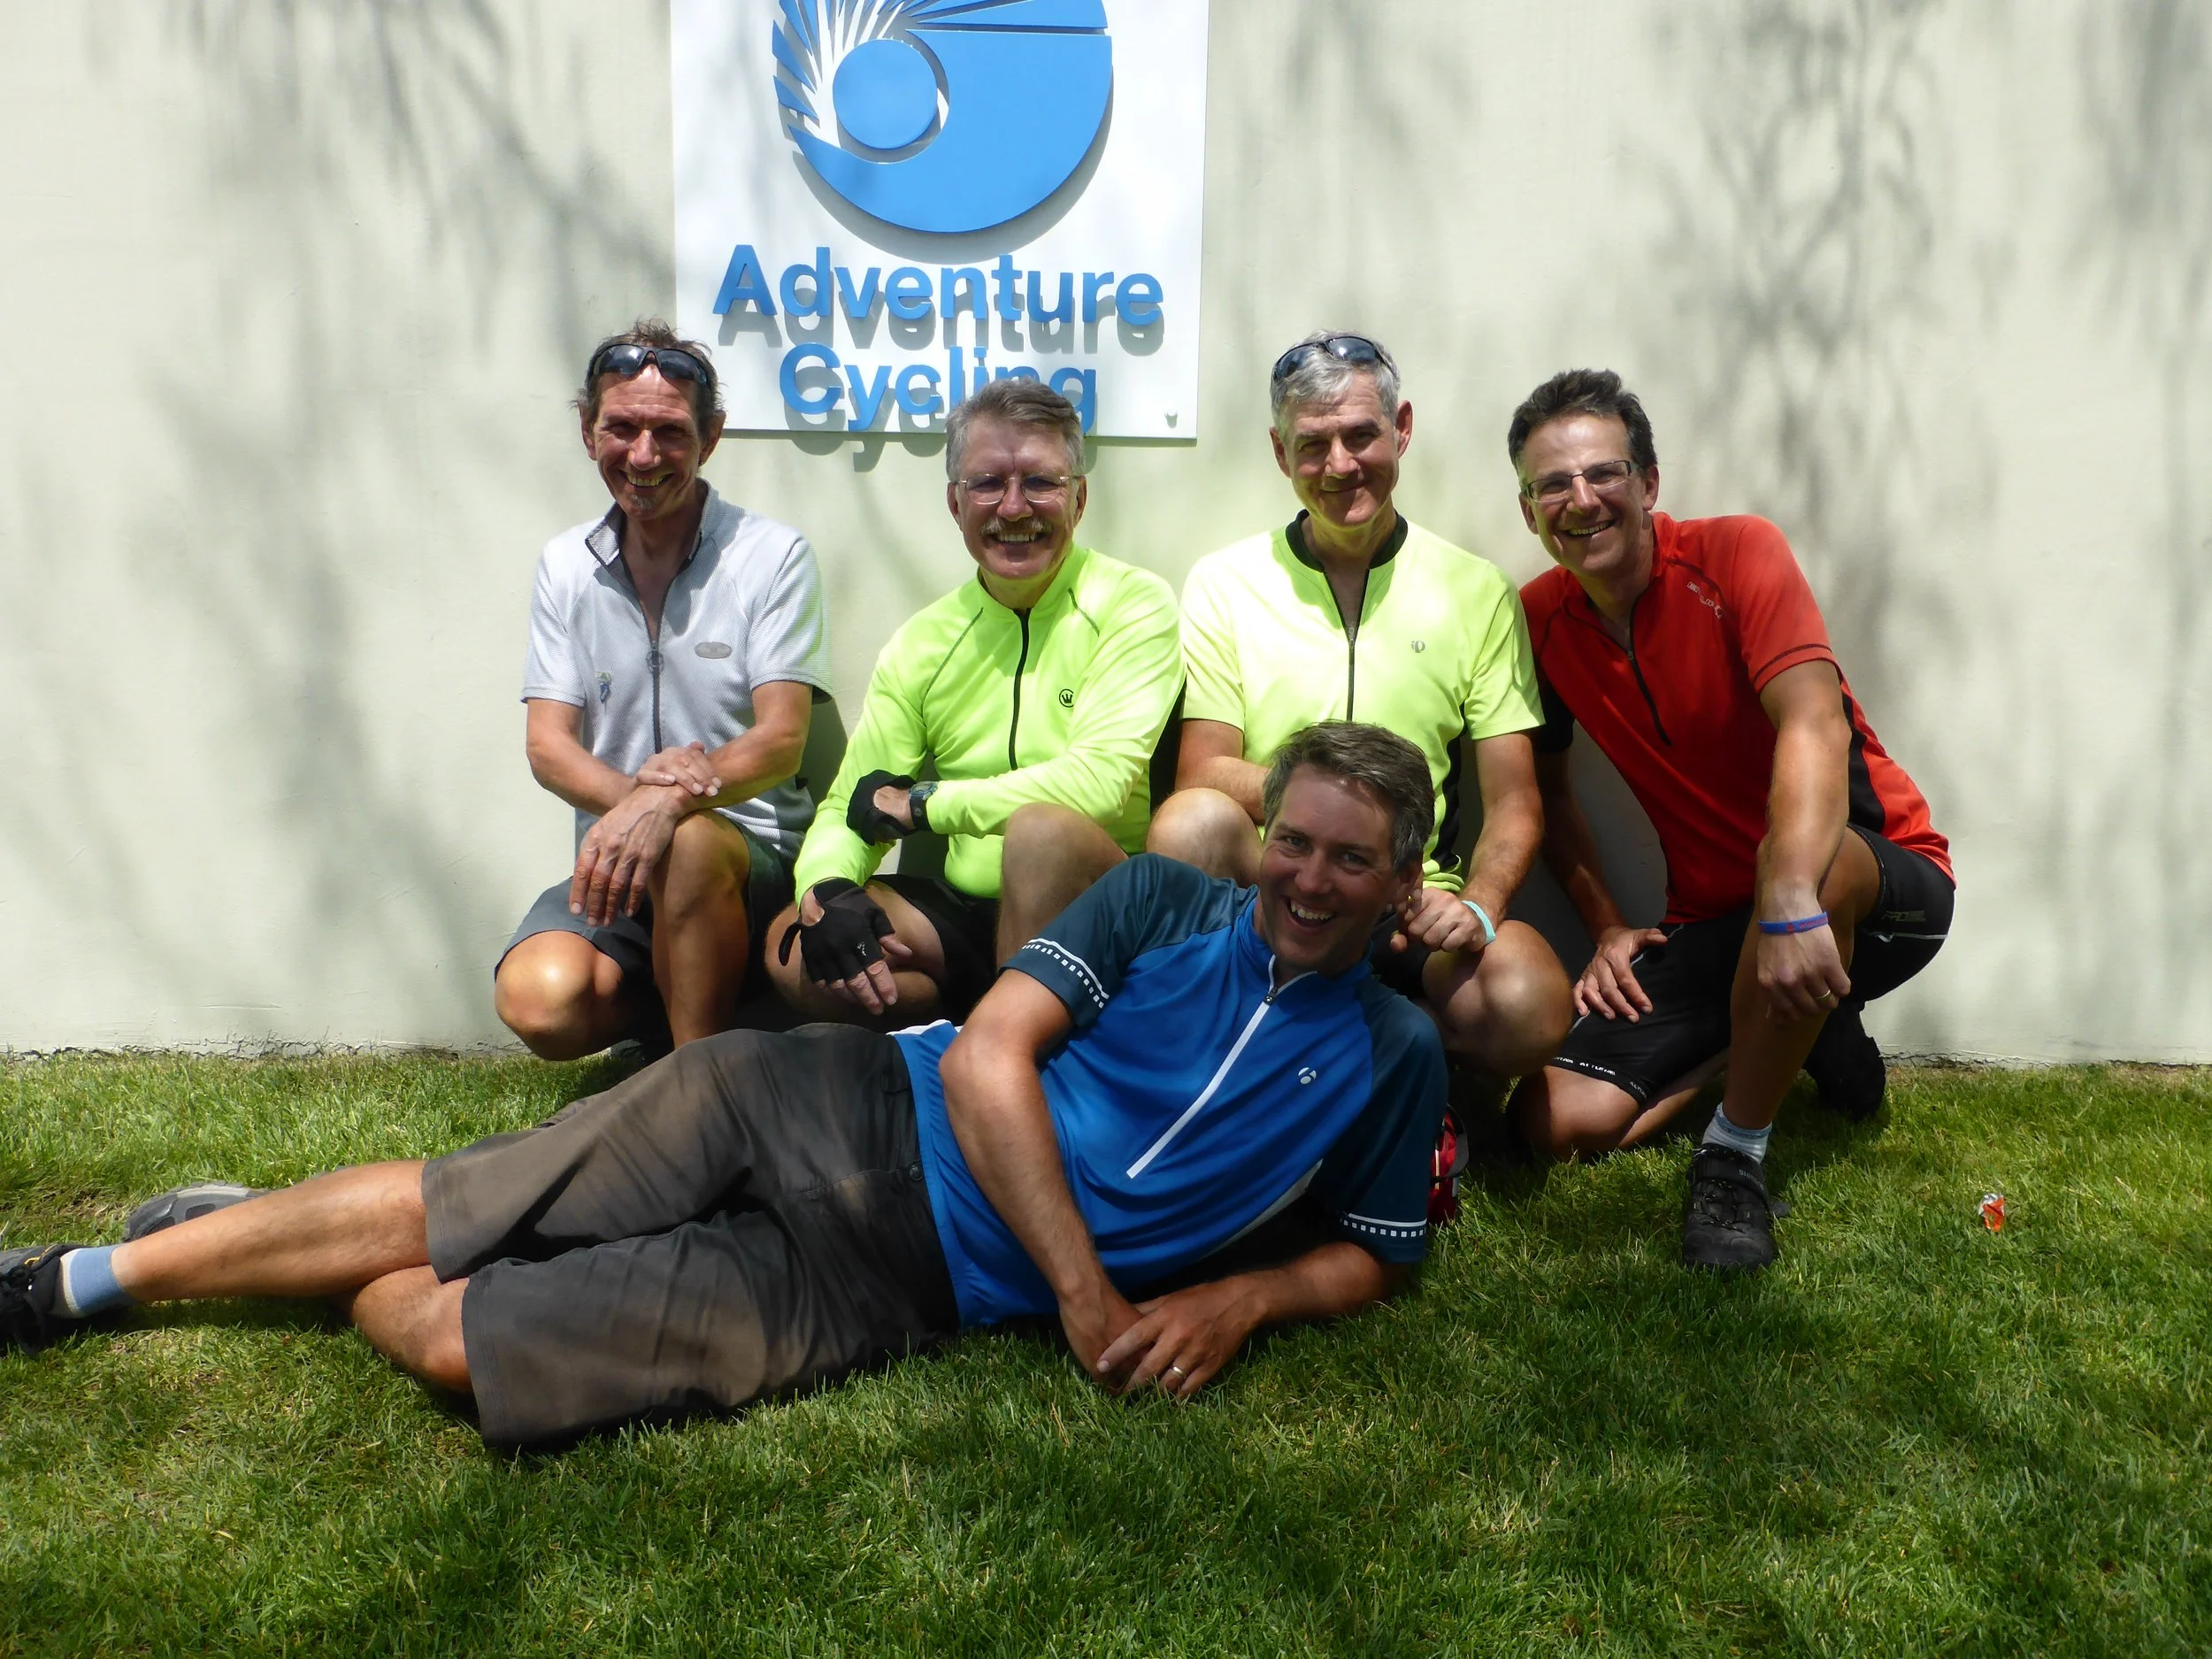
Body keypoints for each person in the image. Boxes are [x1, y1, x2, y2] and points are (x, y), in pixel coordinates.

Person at [3, 724, 1444, 1446]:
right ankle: (77, 1281)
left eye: (1350, 858)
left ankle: (272, 1243)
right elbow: (990, 1053)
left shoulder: (1396, 1049)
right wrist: (1087, 1296)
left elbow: (1376, 1253)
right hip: (835, 1098)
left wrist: (1241, 1298)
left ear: (1400, 881)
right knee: (468, 1202)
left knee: (457, 1341)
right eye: (1293, 841)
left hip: (896, 1285)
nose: (1308, 879)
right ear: (1261, 835)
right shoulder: (1161, 903)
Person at [1506, 368, 1955, 1271]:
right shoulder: (1539, 619)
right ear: (1528, 511)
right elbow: (1544, 792)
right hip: (1716, 921)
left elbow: (1813, 723)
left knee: (1821, 870)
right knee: (1551, 1122)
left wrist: (1787, 899)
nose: (1580, 500)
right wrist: (1604, 925)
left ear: (1648, 483)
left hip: (1875, 884)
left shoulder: (1738, 552)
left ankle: (1733, 1157)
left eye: (1604, 473)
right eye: (1552, 484)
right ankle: (1793, 1036)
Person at [1151, 332, 1571, 1081]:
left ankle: (1375, 1066)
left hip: (1412, 900)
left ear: (1401, 429)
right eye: (1312, 444)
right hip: (1277, 889)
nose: (1340, 465)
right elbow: (1203, 774)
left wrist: (1476, 906)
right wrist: (1342, 818)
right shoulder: (1224, 582)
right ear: (1281, 454)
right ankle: (1273, 1064)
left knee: (1529, 1000)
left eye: (1360, 435)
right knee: (1189, 823)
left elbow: (1515, 801)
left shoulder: (1477, 591)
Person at [766, 379, 1181, 1029]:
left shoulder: (1134, 603)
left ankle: (1007, 1048)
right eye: (988, 484)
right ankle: (967, 1029)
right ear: (955, 503)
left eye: (1039, 482)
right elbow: (855, 803)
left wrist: (925, 806)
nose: (1013, 508)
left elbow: (1098, 785)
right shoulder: (924, 641)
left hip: (1097, 901)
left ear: (1079, 497)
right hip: (966, 908)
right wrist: (827, 888)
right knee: (795, 945)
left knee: (1041, 835)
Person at [493, 322, 831, 1059]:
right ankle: (694, 1014)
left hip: (746, 861)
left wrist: (671, 805)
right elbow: (547, 745)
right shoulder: (566, 565)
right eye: (621, 427)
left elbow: (781, 738)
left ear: (712, 437)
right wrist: (637, 807)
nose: (643, 456)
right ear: (588, 431)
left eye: (671, 432)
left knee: (691, 843)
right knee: (538, 1000)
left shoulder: (772, 556)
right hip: (619, 866)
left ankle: (694, 1080)